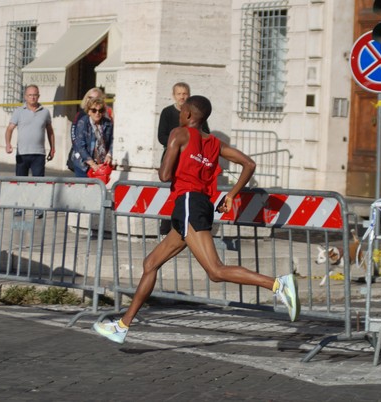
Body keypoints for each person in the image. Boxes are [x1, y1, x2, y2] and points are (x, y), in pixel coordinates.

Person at [93, 95, 300, 344]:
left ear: (190, 115)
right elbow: (249, 163)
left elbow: (164, 174)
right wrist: (232, 194)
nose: (179, 114)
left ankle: (279, 285)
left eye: (182, 111)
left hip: (189, 203)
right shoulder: (215, 143)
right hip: (198, 204)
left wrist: (176, 160)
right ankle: (123, 326)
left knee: (215, 270)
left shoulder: (179, 134)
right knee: (151, 263)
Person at [157, 82, 209, 234]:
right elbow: (162, 136)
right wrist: (178, 144)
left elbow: (205, 133)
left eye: (184, 93)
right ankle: (166, 225)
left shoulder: (197, 113)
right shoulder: (167, 112)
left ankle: (185, 224)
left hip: (191, 159)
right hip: (172, 157)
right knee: (172, 191)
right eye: (179, 94)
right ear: (174, 95)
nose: (182, 96)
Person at [5, 84, 55, 217]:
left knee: (39, 182)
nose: (33, 97)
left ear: (38, 96)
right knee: (21, 180)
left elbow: (50, 131)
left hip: (39, 153)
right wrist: (8, 144)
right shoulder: (18, 111)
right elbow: (9, 129)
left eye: (35, 95)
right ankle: (19, 207)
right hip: (22, 153)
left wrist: (53, 148)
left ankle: (38, 208)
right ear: (25, 96)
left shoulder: (45, 111)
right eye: (30, 95)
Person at [68, 87, 113, 172]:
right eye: (94, 110)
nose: (97, 113)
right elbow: (77, 142)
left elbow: (112, 140)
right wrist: (91, 163)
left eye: (100, 110)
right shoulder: (82, 119)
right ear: (89, 111)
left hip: (101, 164)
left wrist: (109, 154)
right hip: (84, 163)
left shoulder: (107, 121)